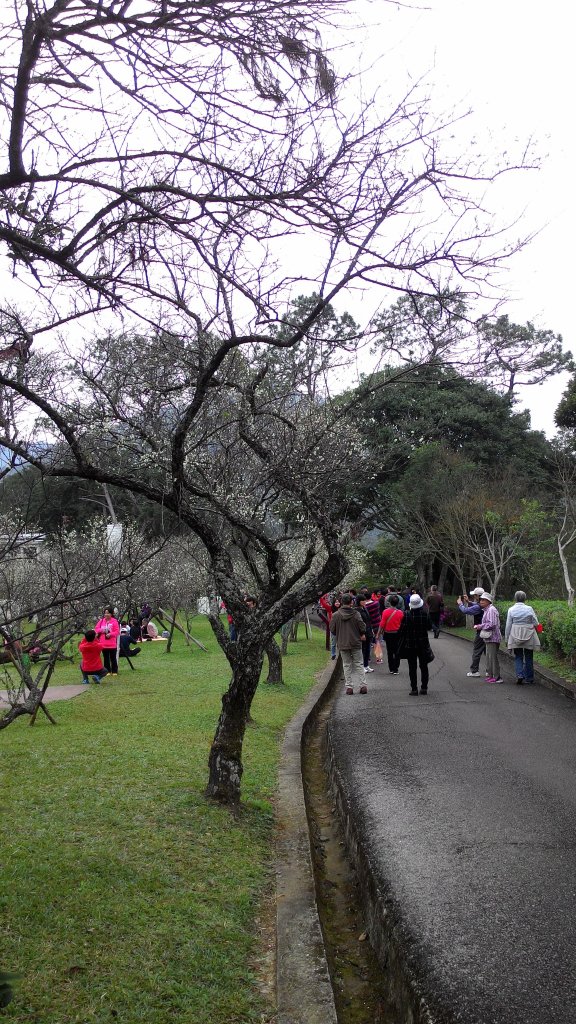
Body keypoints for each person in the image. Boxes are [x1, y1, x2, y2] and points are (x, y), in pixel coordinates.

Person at [330, 593, 367, 695]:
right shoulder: (356, 614)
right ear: (352, 602)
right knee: (359, 663)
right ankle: (363, 685)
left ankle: (349, 687)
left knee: (346, 665)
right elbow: (362, 627)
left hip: (342, 642)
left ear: (341, 602)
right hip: (355, 642)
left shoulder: (336, 615)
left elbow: (332, 630)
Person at [398, 594, 433, 694]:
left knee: (412, 667)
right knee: (424, 666)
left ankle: (414, 689)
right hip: (423, 644)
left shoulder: (406, 614)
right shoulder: (425, 614)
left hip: (410, 644)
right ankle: (424, 688)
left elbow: (402, 630)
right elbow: (429, 627)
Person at [504, 590, 540, 685]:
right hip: (529, 632)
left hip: (515, 633)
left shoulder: (511, 609)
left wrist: (507, 639)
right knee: (529, 656)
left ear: (515, 598)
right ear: (525, 599)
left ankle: (519, 675)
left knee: (518, 656)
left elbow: (508, 625)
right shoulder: (529, 609)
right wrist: (539, 629)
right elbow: (536, 622)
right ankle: (529, 678)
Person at [473, 592, 502, 683]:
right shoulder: (487, 609)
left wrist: (480, 626)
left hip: (493, 637)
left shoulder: (491, 610)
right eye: (481, 600)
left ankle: (497, 677)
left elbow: (492, 624)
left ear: (488, 601)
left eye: (483, 600)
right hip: (489, 637)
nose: (481, 601)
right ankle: (491, 675)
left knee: (492, 657)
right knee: (489, 657)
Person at [457, 587, 486, 676]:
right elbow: (476, 605)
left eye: (474, 595)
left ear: (478, 596)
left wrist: (460, 604)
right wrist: (468, 602)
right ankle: (489, 670)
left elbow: (465, 611)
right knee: (487, 652)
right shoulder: (485, 604)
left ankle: (474, 671)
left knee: (477, 651)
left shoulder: (478, 607)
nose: (473, 597)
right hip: (487, 630)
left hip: (481, 631)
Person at [377, 593, 404, 674]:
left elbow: (382, 624)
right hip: (397, 634)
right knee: (397, 651)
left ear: (389, 602)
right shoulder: (401, 613)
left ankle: (391, 668)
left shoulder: (385, 611)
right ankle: (396, 668)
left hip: (388, 633)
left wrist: (378, 633)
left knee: (390, 651)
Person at [95, 606, 120, 675]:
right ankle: (107, 671)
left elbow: (117, 632)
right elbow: (96, 629)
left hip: (112, 644)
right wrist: (103, 630)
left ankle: (114, 671)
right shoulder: (101, 621)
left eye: (108, 613)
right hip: (103, 643)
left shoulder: (114, 621)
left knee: (113, 658)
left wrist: (110, 634)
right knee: (106, 658)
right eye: (105, 613)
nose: (106, 615)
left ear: (111, 614)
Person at [356, 594, 375, 673]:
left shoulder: (365, 608)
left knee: (367, 649)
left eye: (364, 600)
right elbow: (359, 623)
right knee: (362, 650)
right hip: (362, 633)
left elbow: (368, 620)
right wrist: (362, 633)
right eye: (362, 600)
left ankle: (366, 665)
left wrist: (371, 630)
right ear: (359, 601)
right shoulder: (357, 611)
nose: (364, 602)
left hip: (368, 631)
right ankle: (362, 666)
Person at [330, 594, 342, 659]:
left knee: (340, 643)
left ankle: (340, 654)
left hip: (341, 629)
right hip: (333, 629)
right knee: (333, 643)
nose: (337, 603)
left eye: (338, 602)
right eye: (336, 602)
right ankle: (333, 654)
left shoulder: (342, 610)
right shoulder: (331, 609)